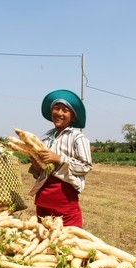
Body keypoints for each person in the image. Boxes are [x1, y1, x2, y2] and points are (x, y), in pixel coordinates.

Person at [28, 89, 93, 228]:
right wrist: (36, 165)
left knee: (69, 241)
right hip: (43, 199)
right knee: (44, 240)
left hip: (64, 199)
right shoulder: (46, 137)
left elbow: (86, 166)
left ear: (73, 117)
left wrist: (58, 158)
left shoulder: (77, 137)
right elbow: (38, 173)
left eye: (65, 110)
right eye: (56, 109)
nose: (59, 113)